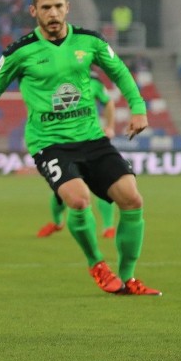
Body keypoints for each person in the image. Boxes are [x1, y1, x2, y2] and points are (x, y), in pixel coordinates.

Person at [0, 0, 160, 296]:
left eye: (58, 6)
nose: (53, 13)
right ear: (34, 11)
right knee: (78, 198)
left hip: (92, 138)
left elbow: (120, 72)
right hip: (50, 144)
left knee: (132, 197)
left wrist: (138, 107)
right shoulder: (20, 51)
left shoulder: (90, 42)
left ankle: (128, 278)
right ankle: (97, 264)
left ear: (67, 7)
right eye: (46, 7)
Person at [37, 71, 118, 239]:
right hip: (61, 145)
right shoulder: (54, 75)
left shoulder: (93, 80)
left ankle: (108, 227)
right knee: (63, 191)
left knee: (103, 184)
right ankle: (57, 222)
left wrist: (110, 127)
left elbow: (108, 102)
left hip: (90, 142)